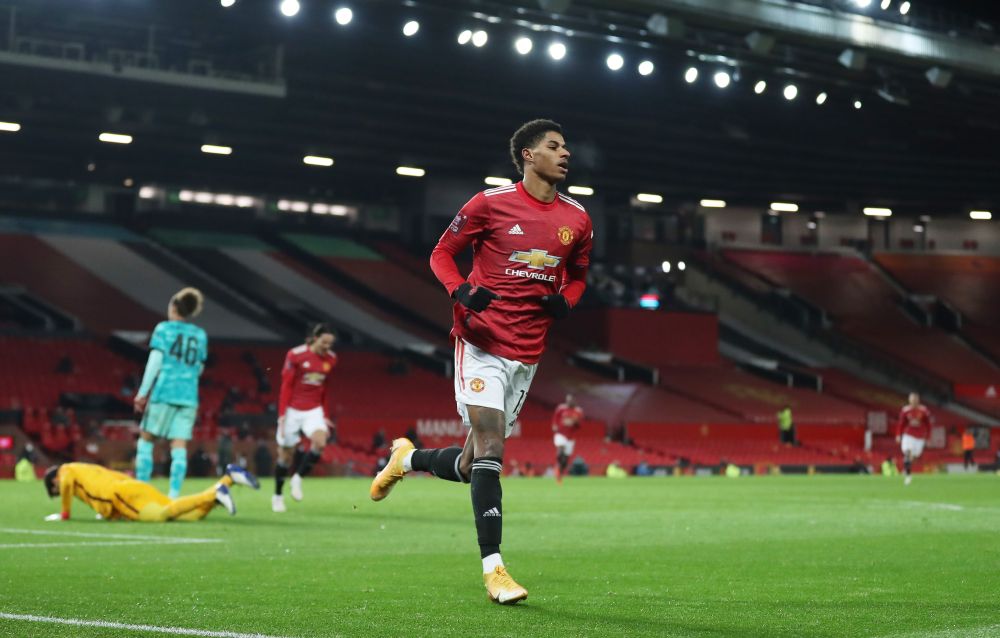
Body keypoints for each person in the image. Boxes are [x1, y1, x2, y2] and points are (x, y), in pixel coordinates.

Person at [369, 118, 592, 605]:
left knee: (474, 465)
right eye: (554, 146)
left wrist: (567, 301)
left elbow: (578, 276)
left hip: (527, 353)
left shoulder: (578, 218)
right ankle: (494, 568)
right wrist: (461, 291)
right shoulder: (488, 204)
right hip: (481, 342)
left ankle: (406, 459)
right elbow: (441, 254)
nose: (565, 153)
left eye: (566, 147)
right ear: (528, 156)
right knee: (493, 444)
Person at [133, 287, 209, 498]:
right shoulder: (200, 335)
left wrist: (142, 393)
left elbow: (155, 362)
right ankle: (173, 496)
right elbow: (200, 368)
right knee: (179, 446)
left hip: (164, 393)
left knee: (146, 440)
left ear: (174, 307)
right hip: (189, 396)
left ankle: (141, 492)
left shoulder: (164, 329)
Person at [42, 462, 258, 522]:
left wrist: (65, 513)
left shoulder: (66, 470)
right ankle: (228, 478)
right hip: (133, 487)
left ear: (54, 479)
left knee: (160, 516)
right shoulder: (86, 468)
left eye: (56, 488)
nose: (61, 491)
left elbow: (67, 482)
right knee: (190, 515)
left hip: (120, 495)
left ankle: (214, 493)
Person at [273, 323, 337, 513]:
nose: (327, 347)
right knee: (285, 456)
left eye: (330, 344)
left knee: (320, 442)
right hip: (292, 410)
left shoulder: (331, 359)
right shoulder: (296, 355)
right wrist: (282, 416)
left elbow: (325, 388)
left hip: (313, 410)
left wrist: (325, 415)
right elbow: (286, 385)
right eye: (324, 342)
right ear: (315, 338)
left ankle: (298, 478)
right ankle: (277, 495)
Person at [895, 392, 933, 486]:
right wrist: (898, 435)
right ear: (909, 400)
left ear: (918, 400)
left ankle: (907, 469)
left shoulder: (924, 410)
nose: (913, 401)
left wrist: (928, 437)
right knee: (907, 454)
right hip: (908, 435)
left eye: (915, 399)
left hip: (920, 437)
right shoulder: (905, 410)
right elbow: (901, 423)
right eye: (912, 399)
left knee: (914, 456)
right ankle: (908, 476)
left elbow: (928, 425)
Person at [551, 393, 584, 483]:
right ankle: (557, 466)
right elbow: (556, 417)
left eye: (570, 400)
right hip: (560, 434)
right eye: (567, 400)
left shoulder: (578, 411)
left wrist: (575, 422)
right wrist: (554, 425)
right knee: (560, 450)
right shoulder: (561, 408)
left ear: (574, 401)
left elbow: (580, 425)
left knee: (565, 460)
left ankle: (560, 473)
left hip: (571, 437)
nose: (568, 402)